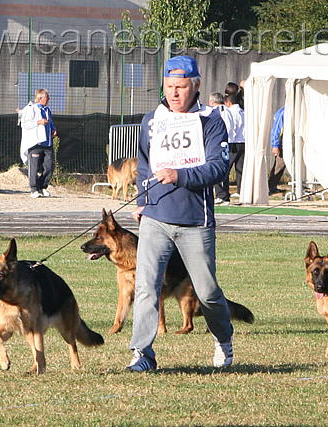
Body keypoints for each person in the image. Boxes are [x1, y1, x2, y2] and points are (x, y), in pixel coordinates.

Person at [127, 55, 234, 372]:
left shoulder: (211, 121)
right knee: (146, 287)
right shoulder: (151, 120)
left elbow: (218, 168)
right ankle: (142, 354)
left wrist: (180, 175)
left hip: (195, 221)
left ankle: (223, 338)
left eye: (181, 87)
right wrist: (143, 200)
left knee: (207, 292)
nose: (174, 93)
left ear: (196, 86)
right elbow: (144, 164)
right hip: (155, 218)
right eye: (169, 86)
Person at [19, 89, 57, 198]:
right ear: (40, 98)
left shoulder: (47, 110)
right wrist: (38, 122)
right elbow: (25, 124)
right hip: (35, 143)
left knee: (49, 167)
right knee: (34, 167)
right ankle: (34, 189)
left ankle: (42, 186)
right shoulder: (30, 109)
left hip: (47, 143)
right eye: (47, 97)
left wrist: (53, 129)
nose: (48, 99)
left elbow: (50, 122)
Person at [214, 93, 245, 204]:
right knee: (240, 168)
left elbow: (231, 126)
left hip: (232, 141)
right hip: (242, 141)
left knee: (225, 168)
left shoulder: (229, 111)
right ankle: (241, 190)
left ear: (228, 103)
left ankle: (223, 194)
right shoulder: (243, 112)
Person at [268, 106, 286, 195]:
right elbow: (276, 130)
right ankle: (271, 186)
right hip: (283, 145)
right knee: (279, 165)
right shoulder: (282, 113)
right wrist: (275, 145)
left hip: (294, 143)